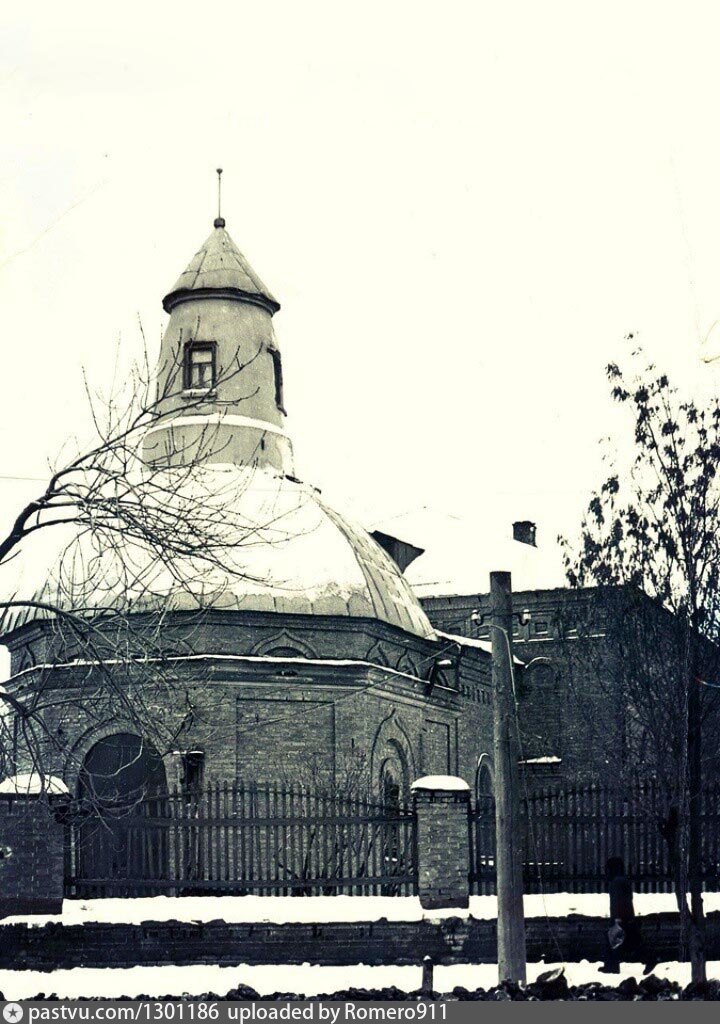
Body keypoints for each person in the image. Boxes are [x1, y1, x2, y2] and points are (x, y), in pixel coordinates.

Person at [599, 857, 657, 974]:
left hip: (621, 918)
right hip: (627, 916)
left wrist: (617, 918)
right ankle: (613, 965)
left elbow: (617, 902)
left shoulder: (616, 883)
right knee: (630, 942)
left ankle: (613, 966)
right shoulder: (623, 881)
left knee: (617, 941)